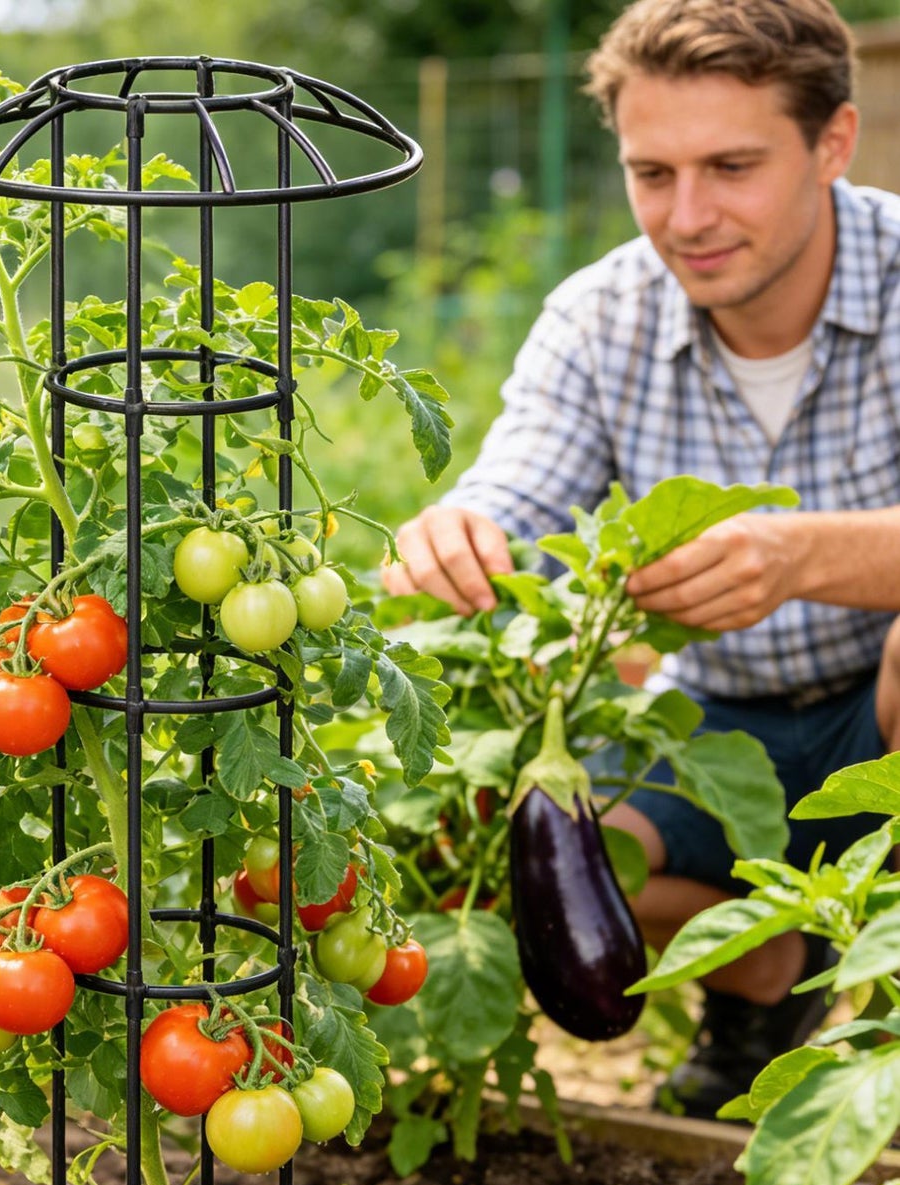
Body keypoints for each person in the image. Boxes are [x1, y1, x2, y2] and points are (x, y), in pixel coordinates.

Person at [383, 0, 900, 1117]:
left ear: (831, 143)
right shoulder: (598, 316)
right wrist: (456, 536)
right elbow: (515, 487)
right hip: (704, 729)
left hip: (882, 719)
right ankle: (758, 975)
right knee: (508, 819)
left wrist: (805, 551)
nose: (687, 215)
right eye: (649, 172)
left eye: (729, 166)